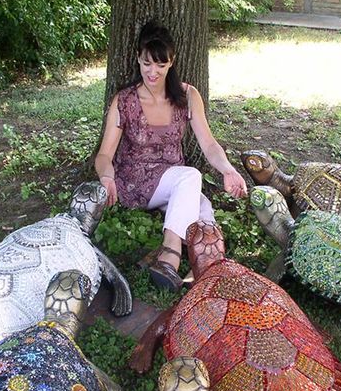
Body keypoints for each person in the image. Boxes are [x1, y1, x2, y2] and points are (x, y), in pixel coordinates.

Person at [94, 20, 247, 292]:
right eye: (146, 64)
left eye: (160, 65)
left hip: (173, 182)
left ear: (172, 62)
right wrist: (106, 177)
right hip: (135, 183)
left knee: (204, 211)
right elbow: (104, 154)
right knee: (191, 176)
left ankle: (208, 268)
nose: (152, 72)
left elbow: (209, 144)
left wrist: (228, 170)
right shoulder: (125, 100)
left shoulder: (188, 96)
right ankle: (169, 256)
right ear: (137, 59)